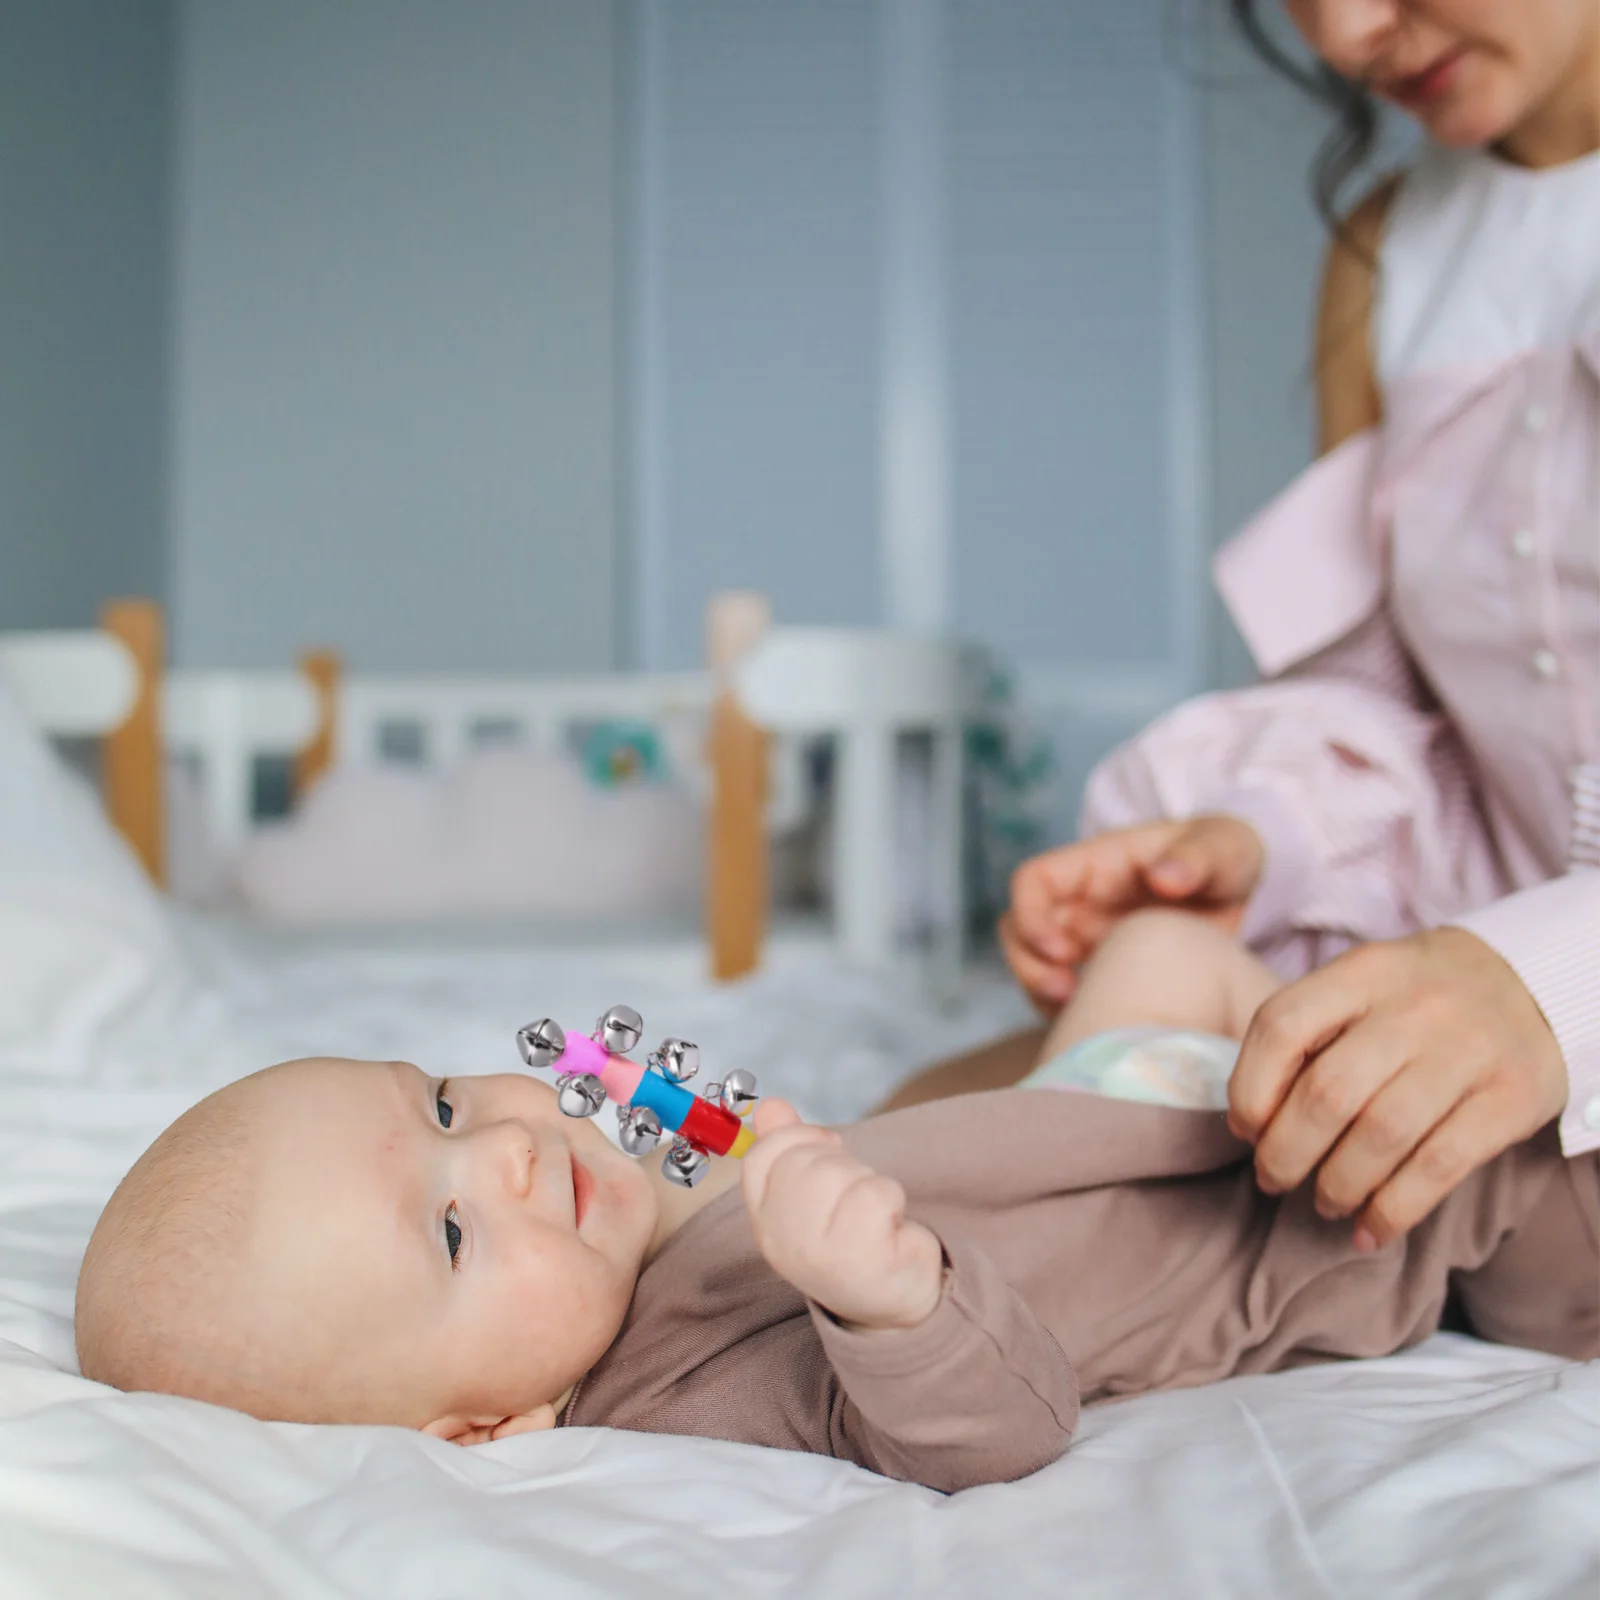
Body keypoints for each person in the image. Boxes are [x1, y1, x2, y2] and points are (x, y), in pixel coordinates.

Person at [884, 0, 1600, 1258]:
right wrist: (1262, 843)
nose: (1346, 31)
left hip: (1536, 984)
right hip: (1469, 954)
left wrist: (1546, 984)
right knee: (925, 1136)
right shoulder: (1386, 257)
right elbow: (1395, 718)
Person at [75, 912, 1598, 1494]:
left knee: (1154, 952)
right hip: (1326, 1216)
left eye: (442, 1106)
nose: (510, 1154)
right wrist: (895, 1305)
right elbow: (1005, 1423)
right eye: (454, 1229)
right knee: (1548, 1220)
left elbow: (755, 1141)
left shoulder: (617, 1250)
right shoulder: (684, 1405)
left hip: (1108, 1105)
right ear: (479, 1427)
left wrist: (658, 1094)